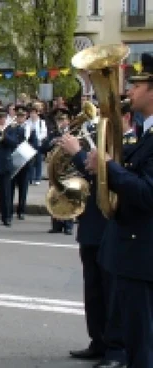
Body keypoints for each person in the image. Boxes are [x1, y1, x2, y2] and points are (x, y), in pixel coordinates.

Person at [59, 52, 153, 368]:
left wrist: (106, 164)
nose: (128, 91)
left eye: (137, 85)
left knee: (142, 345)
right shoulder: (146, 134)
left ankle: (115, 350)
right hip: (126, 244)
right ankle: (104, 343)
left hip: (142, 250)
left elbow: (145, 192)